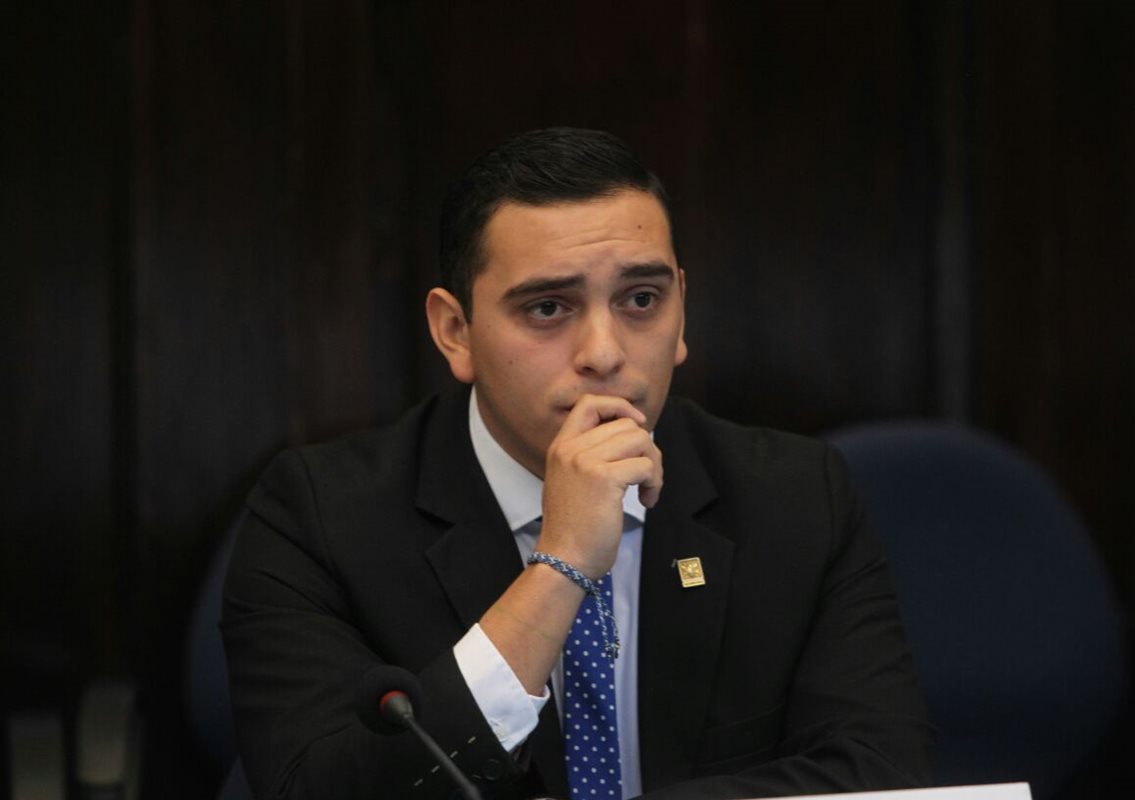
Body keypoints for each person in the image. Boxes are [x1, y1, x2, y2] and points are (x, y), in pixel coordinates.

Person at [222, 127, 933, 800]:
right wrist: (559, 567)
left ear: (682, 311)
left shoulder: (795, 496)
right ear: (455, 331)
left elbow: (881, 772)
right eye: (548, 308)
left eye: (642, 300)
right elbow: (315, 787)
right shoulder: (318, 517)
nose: (605, 353)